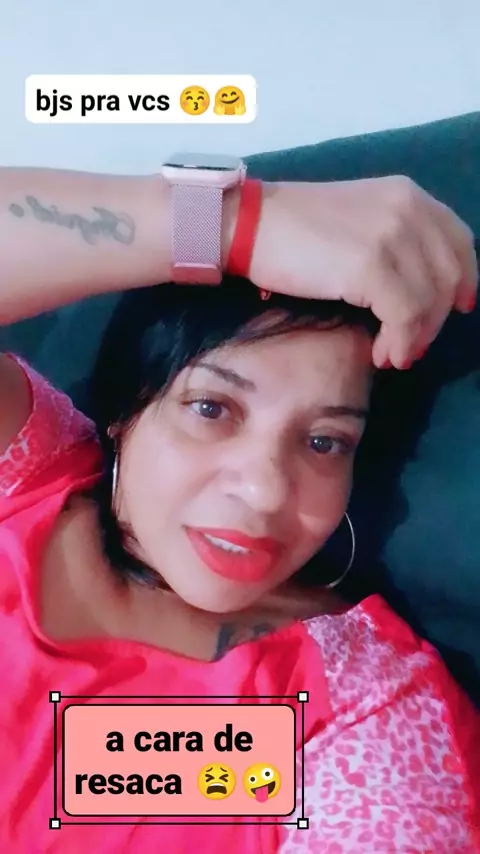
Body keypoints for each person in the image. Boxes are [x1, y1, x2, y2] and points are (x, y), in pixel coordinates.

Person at [0, 163, 478, 854]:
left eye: (323, 441)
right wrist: (234, 225)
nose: (265, 491)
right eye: (211, 408)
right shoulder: (25, 470)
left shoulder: (363, 708)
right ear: (126, 411)